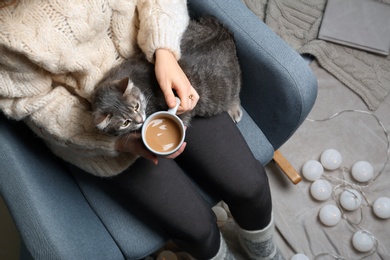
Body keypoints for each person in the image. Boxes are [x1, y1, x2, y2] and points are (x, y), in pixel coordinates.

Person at [0, 0, 283, 259]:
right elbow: (38, 106)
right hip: (96, 121)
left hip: (155, 67)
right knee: (197, 230)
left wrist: (164, 50)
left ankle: (266, 255)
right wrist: (118, 144)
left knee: (251, 187)